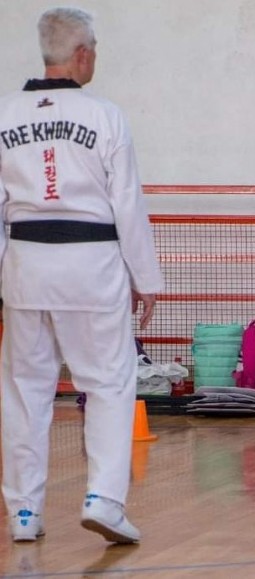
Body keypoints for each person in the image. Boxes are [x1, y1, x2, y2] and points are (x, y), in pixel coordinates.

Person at [0, 8, 163, 543]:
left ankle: (24, 511)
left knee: (26, 390)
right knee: (109, 384)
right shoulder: (106, 117)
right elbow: (127, 203)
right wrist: (148, 278)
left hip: (25, 267)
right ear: (83, 54)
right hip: (92, 269)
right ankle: (103, 499)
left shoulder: (4, 116)